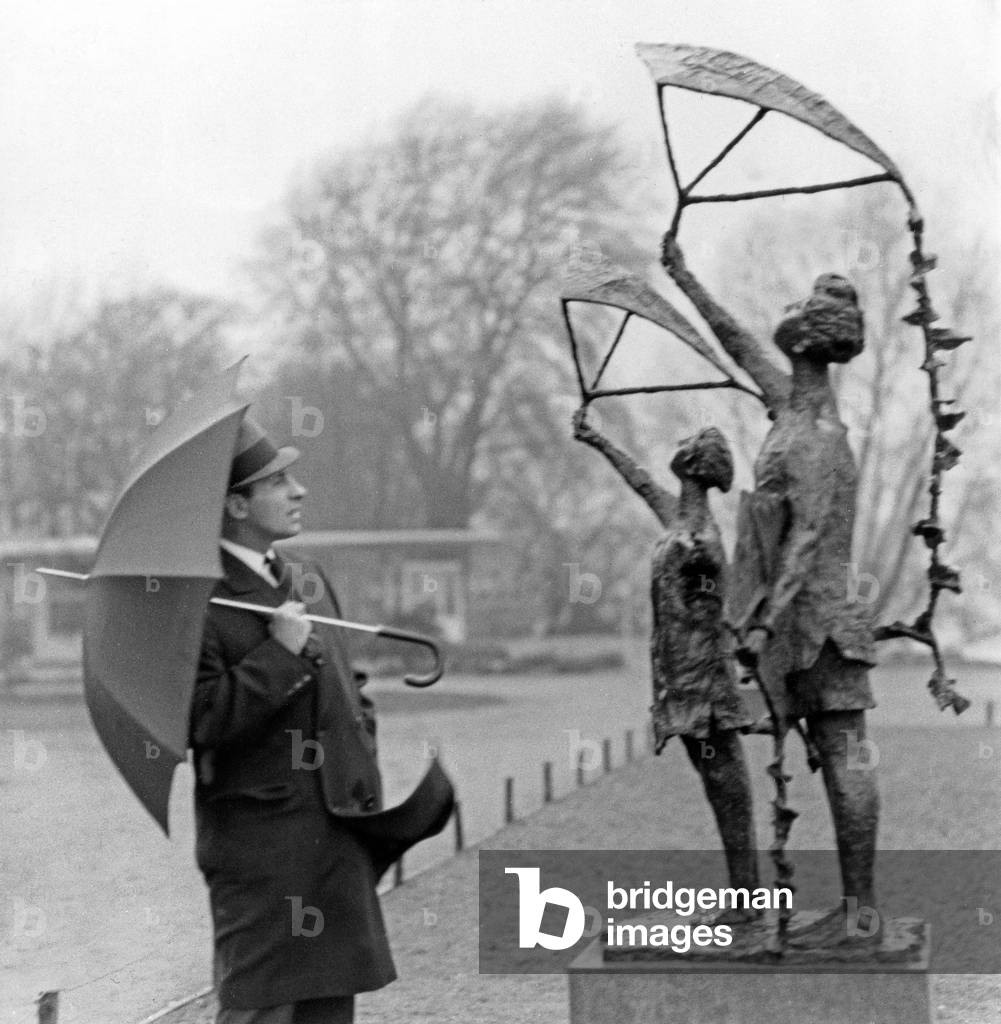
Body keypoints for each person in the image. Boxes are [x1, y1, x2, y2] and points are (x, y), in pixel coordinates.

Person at [189, 416, 453, 1023]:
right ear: (235, 504)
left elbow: (348, 686)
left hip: (334, 845)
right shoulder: (197, 601)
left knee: (329, 1014)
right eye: (278, 482)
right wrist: (276, 655)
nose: (299, 491)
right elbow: (199, 723)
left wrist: (361, 783)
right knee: (263, 1011)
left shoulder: (305, 577)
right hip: (261, 858)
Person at [661, 235, 880, 945]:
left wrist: (760, 624)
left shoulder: (817, 433)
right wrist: (683, 276)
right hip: (793, 620)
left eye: (796, 318)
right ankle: (802, 904)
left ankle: (859, 914)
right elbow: (732, 342)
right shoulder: (787, 405)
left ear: (812, 343)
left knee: (842, 750)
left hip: (818, 620)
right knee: (830, 749)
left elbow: (809, 538)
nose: (778, 327)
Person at [572, 413, 759, 900]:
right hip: (681, 685)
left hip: (702, 689)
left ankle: (748, 899)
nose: (679, 443)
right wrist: (598, 439)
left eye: (689, 442)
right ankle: (746, 896)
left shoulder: (700, 540)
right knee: (715, 784)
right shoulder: (680, 518)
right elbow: (639, 481)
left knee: (725, 786)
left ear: (697, 466)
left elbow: (716, 612)